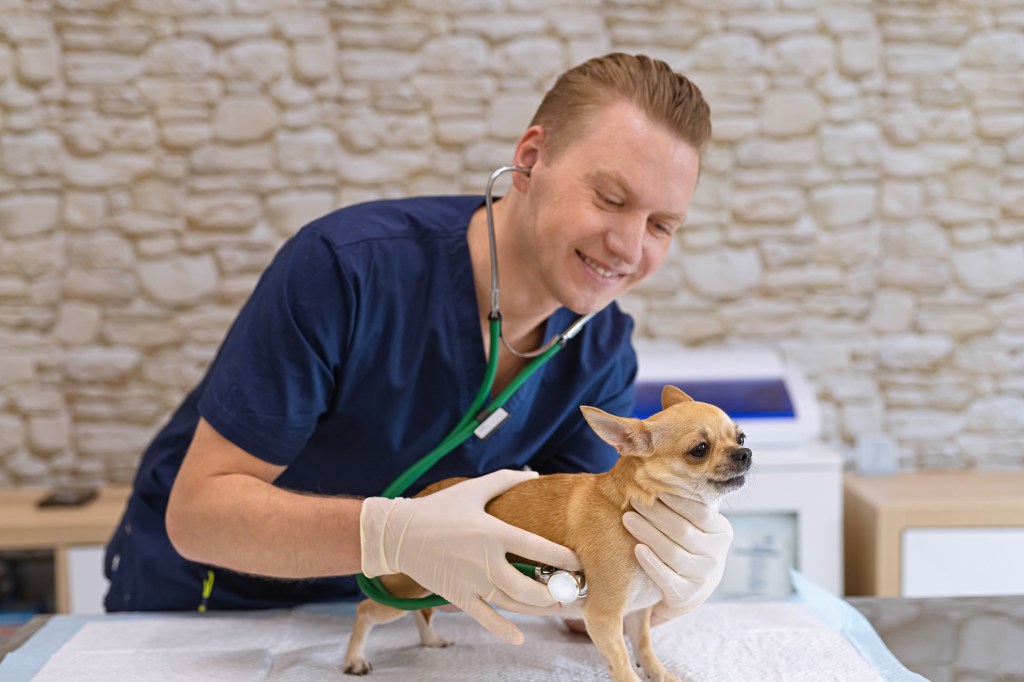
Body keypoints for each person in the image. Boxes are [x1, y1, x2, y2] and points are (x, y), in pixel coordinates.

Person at [104, 52, 734, 646]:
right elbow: (198, 516)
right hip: (225, 607)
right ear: (532, 157)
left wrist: (651, 576)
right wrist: (395, 535)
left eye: (660, 226)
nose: (628, 246)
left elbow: (569, 580)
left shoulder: (600, 351)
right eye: (610, 199)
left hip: (415, 619)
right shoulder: (344, 271)